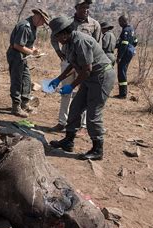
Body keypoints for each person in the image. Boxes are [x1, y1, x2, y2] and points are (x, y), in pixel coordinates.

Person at [47, 16, 116, 160]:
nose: (56, 39)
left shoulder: (80, 41)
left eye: (56, 36)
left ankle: (98, 149)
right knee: (75, 108)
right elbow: (73, 64)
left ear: (64, 33)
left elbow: (86, 69)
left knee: (93, 113)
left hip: (101, 76)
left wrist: (71, 86)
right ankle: (68, 141)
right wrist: (59, 79)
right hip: (89, 77)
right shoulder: (68, 43)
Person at [49, 0, 101, 132]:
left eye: (87, 7)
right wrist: (58, 51)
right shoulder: (67, 22)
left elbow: (97, 44)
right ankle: (62, 122)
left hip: (85, 65)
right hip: (70, 61)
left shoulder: (94, 24)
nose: (86, 10)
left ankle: (80, 124)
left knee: (83, 93)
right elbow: (54, 37)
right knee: (65, 92)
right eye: (83, 7)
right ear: (76, 8)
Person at [7, 9, 50, 118]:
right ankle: (16, 107)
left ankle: (24, 103)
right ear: (37, 16)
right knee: (17, 81)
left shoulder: (32, 26)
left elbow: (27, 44)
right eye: (42, 21)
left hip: (22, 56)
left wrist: (34, 50)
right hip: (16, 56)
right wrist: (32, 53)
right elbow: (17, 45)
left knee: (26, 79)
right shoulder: (25, 26)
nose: (42, 24)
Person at [115, 15, 138, 99]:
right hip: (130, 51)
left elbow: (124, 44)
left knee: (121, 72)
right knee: (123, 70)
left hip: (126, 52)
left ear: (123, 21)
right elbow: (135, 41)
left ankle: (123, 94)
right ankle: (123, 93)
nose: (119, 24)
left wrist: (119, 56)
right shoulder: (131, 29)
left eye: (120, 22)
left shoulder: (125, 30)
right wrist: (132, 47)